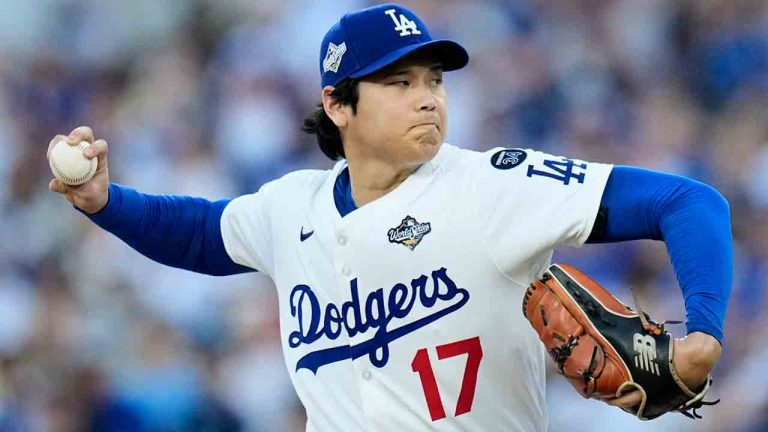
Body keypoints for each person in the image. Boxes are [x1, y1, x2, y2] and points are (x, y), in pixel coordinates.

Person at [47, 3, 731, 431]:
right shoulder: (292, 207)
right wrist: (105, 202)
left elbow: (689, 201)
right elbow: (199, 232)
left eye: (433, 79)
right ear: (339, 106)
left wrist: (703, 333)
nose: (428, 98)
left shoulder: (493, 184)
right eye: (398, 83)